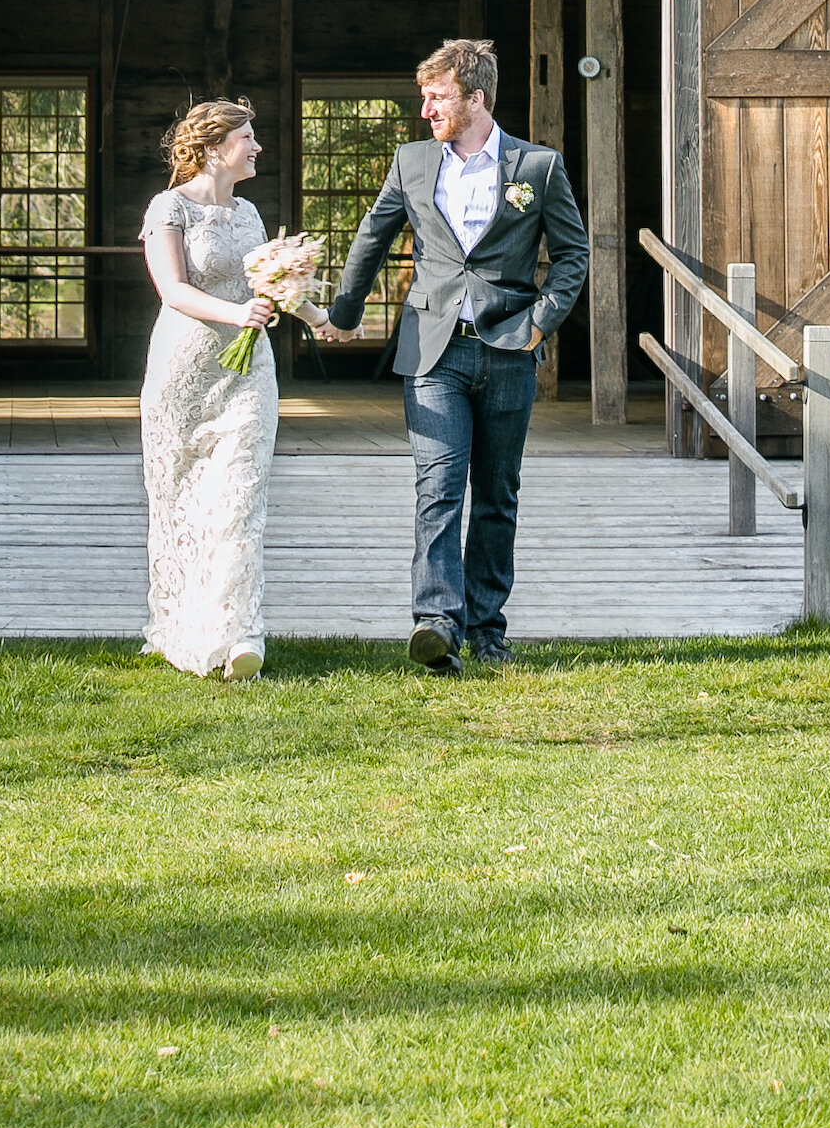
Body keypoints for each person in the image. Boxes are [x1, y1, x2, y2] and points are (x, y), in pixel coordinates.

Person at [325, 37, 590, 673]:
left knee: (497, 494)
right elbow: (373, 233)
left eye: (437, 97)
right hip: (432, 354)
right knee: (437, 488)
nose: (425, 110)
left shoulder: (538, 167)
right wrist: (343, 310)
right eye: (424, 97)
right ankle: (436, 623)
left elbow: (574, 256)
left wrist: (540, 325)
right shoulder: (412, 162)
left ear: (476, 99)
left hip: (507, 353)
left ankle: (487, 628)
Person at [138, 95, 333, 680]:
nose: (257, 147)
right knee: (181, 501)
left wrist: (321, 319)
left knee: (239, 500)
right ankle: (180, 629)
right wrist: (234, 314)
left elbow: (269, 287)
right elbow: (172, 290)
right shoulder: (168, 208)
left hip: (247, 376)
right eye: (248, 138)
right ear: (214, 147)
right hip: (183, 371)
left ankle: (240, 634)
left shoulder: (248, 214)